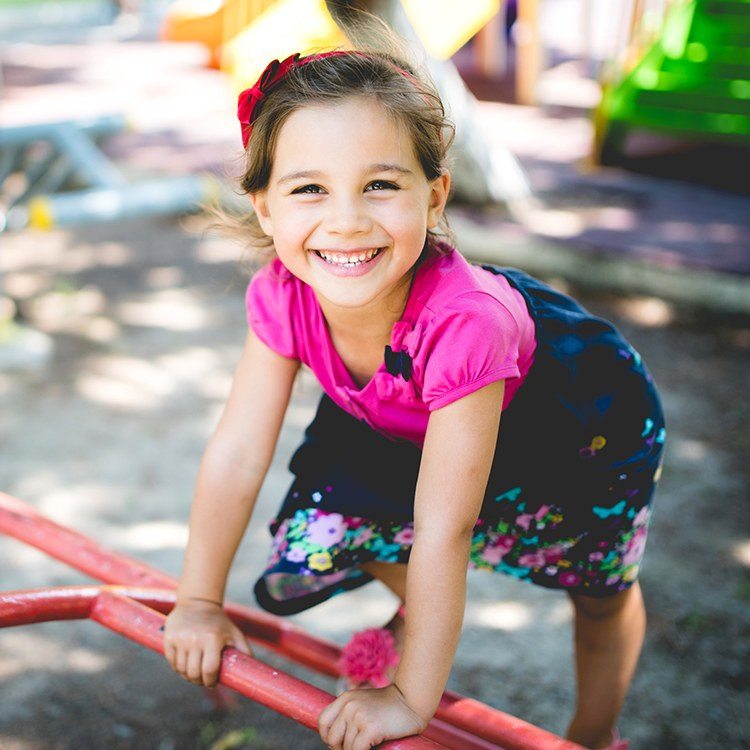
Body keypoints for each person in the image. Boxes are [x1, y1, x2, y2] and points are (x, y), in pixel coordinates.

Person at [162, 31, 666, 750]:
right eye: (309, 188)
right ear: (266, 208)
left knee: (597, 590)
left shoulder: (466, 322)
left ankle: (593, 733)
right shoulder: (282, 294)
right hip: (411, 415)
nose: (346, 219)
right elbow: (240, 453)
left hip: (582, 427)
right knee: (323, 527)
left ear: (433, 198)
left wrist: (409, 697)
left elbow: (444, 526)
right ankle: (419, 617)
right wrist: (198, 603)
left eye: (380, 184)